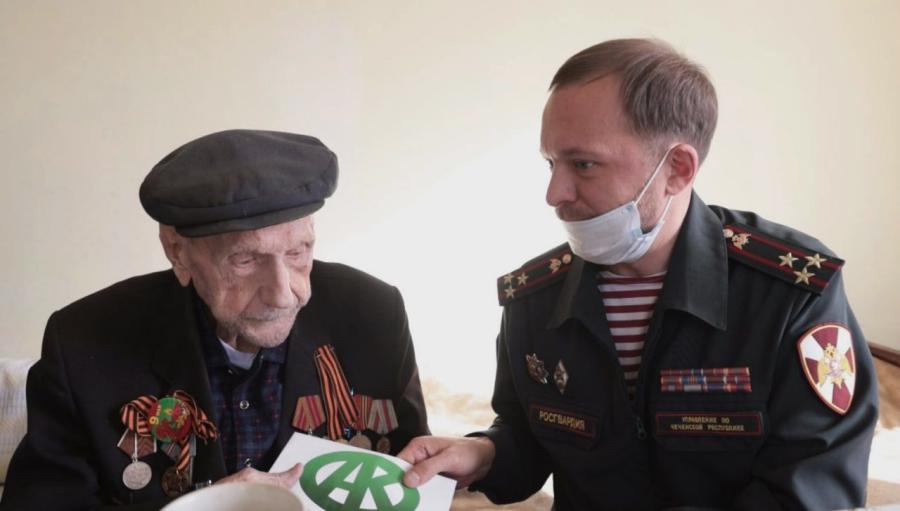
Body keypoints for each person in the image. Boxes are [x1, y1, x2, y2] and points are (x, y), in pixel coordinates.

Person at [399, 38, 878, 510]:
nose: (554, 193)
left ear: (677, 169)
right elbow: (529, 434)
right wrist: (483, 452)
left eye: (583, 164)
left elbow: (814, 489)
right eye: (551, 163)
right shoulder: (534, 298)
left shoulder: (790, 294)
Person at [1, 129, 429, 510]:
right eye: (245, 260)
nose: (283, 294)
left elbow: (416, 478)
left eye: (298, 252)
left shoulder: (374, 313)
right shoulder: (83, 340)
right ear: (177, 252)